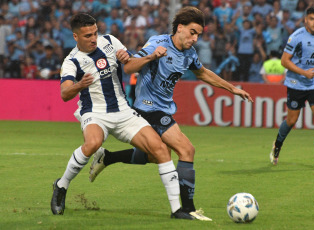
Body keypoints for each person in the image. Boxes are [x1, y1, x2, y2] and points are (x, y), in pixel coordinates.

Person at [88, 6, 253, 221]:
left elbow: (202, 73)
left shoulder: (189, 54)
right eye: (192, 32)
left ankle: (108, 157)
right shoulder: (158, 43)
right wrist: (151, 57)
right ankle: (187, 209)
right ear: (180, 28)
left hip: (162, 109)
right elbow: (129, 67)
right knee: (187, 150)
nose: (195, 39)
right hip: (147, 108)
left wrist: (233, 88)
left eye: (199, 35)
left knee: (157, 156)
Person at [50, 13, 193, 220]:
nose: (93, 38)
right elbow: (64, 94)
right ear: (75, 36)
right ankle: (61, 185)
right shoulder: (72, 61)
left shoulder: (109, 41)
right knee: (92, 143)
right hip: (95, 113)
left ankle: (176, 210)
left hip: (124, 112)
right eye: (88, 35)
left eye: (95, 33)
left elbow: (130, 64)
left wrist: (128, 58)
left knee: (161, 150)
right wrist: (80, 85)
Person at [269, 7, 314, 169]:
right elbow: (284, 61)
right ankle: (277, 144)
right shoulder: (296, 37)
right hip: (296, 84)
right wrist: (304, 72)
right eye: (312, 19)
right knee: (292, 120)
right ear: (305, 20)